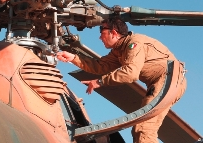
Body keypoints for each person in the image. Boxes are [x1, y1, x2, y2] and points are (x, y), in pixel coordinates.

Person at [56, 18, 187, 143]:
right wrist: (73, 58)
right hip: (165, 82)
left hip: (168, 80)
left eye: (102, 33)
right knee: (140, 129)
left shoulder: (134, 44)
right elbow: (101, 65)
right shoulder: (119, 50)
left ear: (114, 33)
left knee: (144, 129)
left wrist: (99, 82)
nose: (100, 38)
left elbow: (131, 73)